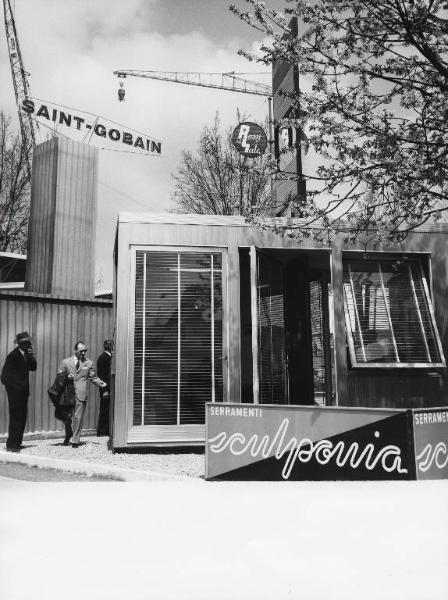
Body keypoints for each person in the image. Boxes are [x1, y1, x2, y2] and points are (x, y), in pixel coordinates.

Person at [57, 341, 106, 448]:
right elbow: (59, 375)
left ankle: (75, 440)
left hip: (81, 393)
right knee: (67, 417)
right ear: (75, 350)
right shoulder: (66, 362)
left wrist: (101, 383)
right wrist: (66, 376)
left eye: (85, 351)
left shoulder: (89, 363)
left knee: (78, 417)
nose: (83, 353)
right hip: (67, 393)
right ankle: (68, 433)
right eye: (81, 351)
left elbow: (93, 377)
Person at [0, 331, 37, 452]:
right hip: (15, 394)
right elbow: (4, 377)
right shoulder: (13, 356)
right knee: (16, 418)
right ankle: (11, 445)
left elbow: (33, 367)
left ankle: (17, 442)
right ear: (20, 344)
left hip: (23, 393)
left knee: (22, 417)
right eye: (26, 343)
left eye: (29, 342)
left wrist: (31, 356)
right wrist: (15, 388)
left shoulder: (26, 355)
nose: (29, 344)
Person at [96, 339, 113, 436]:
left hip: (110, 388)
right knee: (104, 409)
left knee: (108, 409)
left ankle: (107, 430)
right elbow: (101, 376)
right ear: (105, 346)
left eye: (111, 344)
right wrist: (104, 391)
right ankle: (101, 432)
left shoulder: (111, 356)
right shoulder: (103, 358)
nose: (110, 346)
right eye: (108, 344)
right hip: (106, 389)